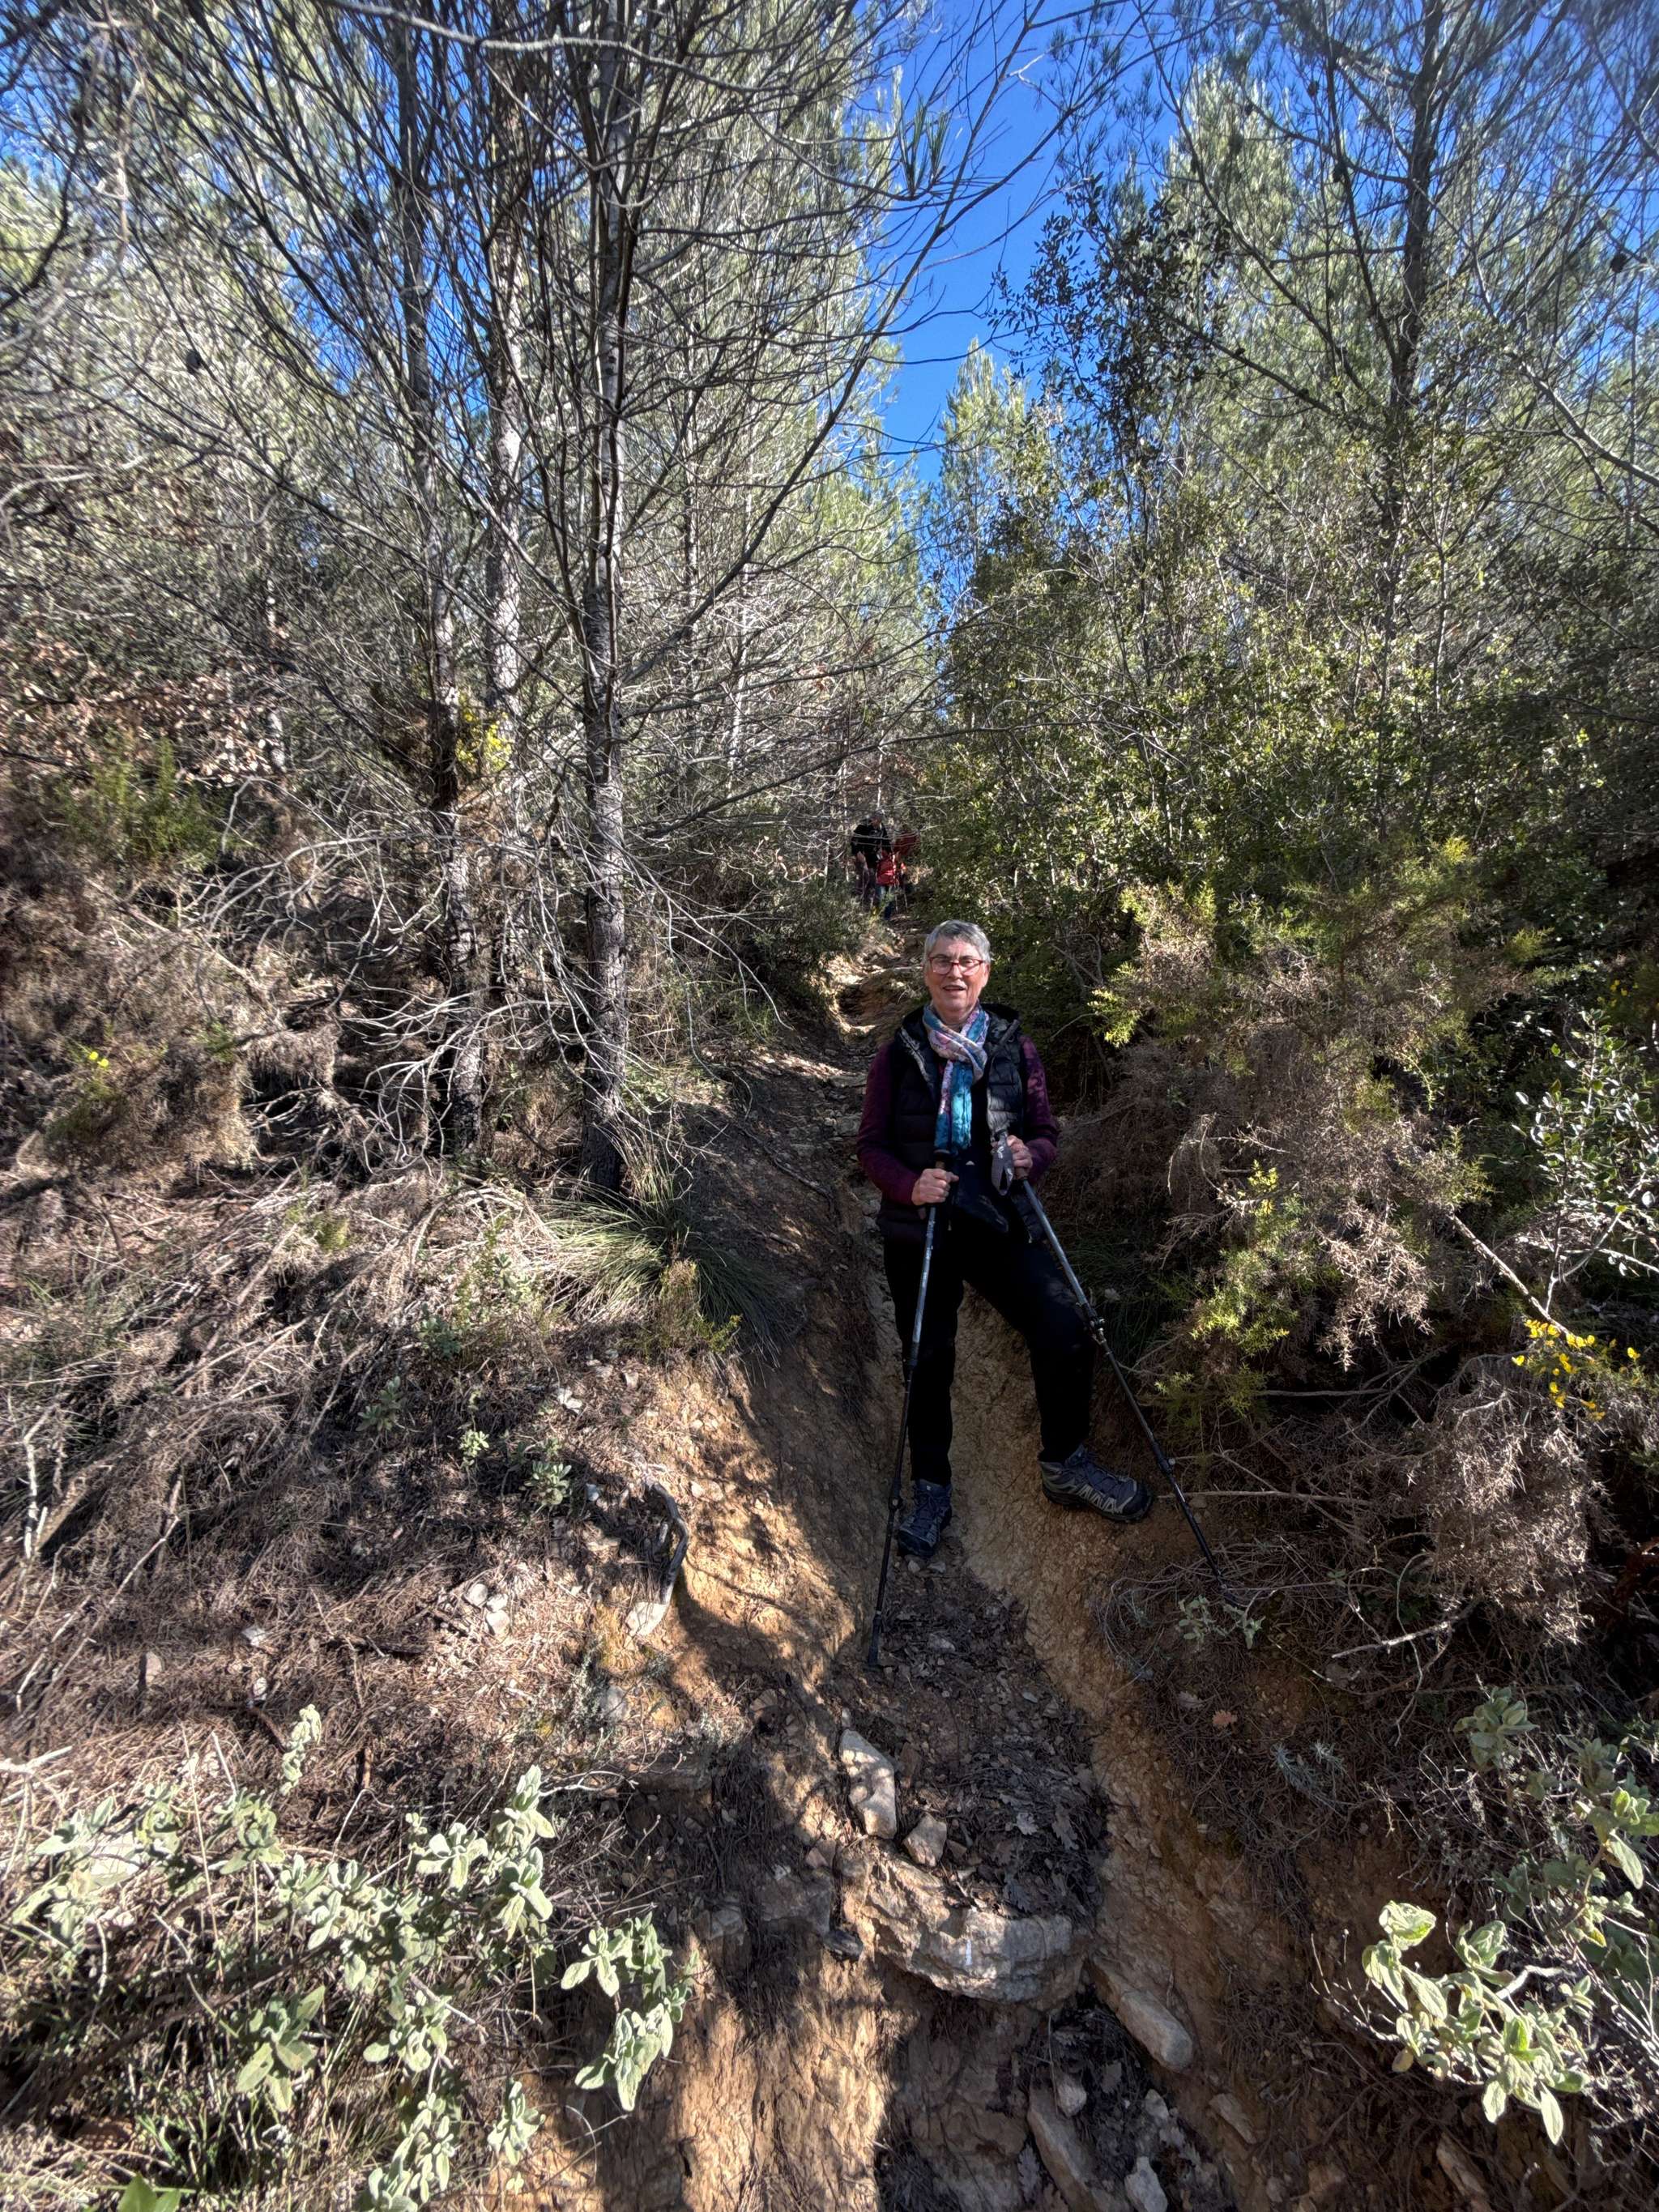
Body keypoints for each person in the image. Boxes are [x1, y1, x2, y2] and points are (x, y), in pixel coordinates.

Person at [855, 919, 1153, 1557]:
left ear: (986, 972)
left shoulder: (1016, 1048)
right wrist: (910, 1185)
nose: (954, 971)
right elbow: (871, 1145)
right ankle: (931, 1487)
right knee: (926, 1355)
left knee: (1066, 1319)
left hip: (995, 1218)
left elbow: (1046, 1133)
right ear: (926, 971)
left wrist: (1028, 1157)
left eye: (967, 961)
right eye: (942, 960)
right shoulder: (898, 1052)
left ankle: (1065, 1463)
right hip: (920, 1226)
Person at [849, 812, 891, 910]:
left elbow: (885, 841)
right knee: (865, 876)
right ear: (872, 819)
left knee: (872, 877)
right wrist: (858, 853)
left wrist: (889, 853)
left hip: (873, 856)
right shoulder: (863, 826)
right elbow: (854, 842)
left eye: (880, 821)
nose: (877, 823)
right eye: (876, 820)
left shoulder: (881, 828)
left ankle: (870, 901)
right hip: (862, 855)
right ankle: (860, 900)